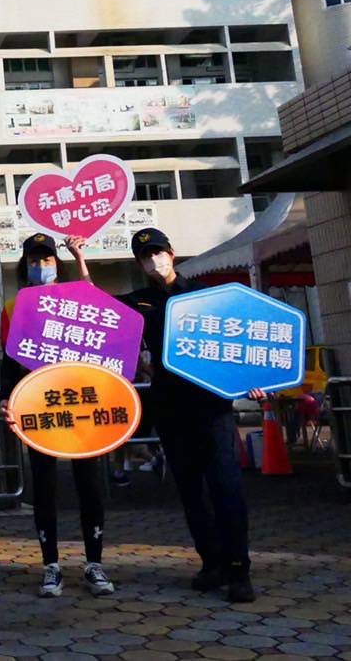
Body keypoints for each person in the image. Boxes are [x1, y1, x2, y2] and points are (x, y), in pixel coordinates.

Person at [120, 227, 259, 603]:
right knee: (191, 492)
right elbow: (99, 314)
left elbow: (239, 340)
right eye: (145, 255)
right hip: (170, 407)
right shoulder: (138, 302)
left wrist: (255, 378)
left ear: (172, 252)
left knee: (226, 488)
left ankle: (238, 570)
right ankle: (211, 563)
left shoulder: (206, 295)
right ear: (139, 262)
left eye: (158, 252)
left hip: (212, 407)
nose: (153, 259)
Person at [0, 233, 115, 599]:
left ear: (57, 265)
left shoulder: (75, 300)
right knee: (44, 486)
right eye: (34, 261)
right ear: (25, 266)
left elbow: (95, 300)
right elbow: (8, 360)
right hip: (39, 406)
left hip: (82, 405)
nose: (41, 266)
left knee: (90, 484)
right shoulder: (13, 308)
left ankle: (94, 564)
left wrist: (79, 253)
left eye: (47, 260)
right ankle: (51, 566)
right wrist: (6, 398)